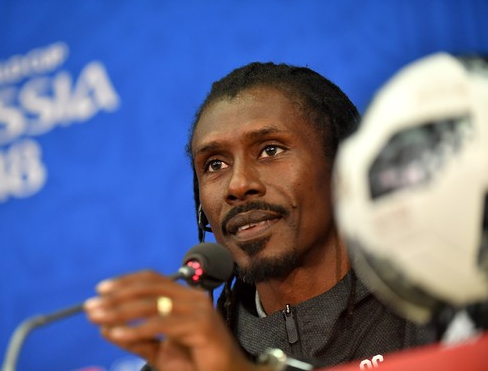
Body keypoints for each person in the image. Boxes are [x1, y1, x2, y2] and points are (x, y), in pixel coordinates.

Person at [84, 62, 435, 371]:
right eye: (215, 165)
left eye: (270, 150)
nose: (238, 185)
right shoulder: (189, 365)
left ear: (342, 166)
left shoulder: (438, 303)